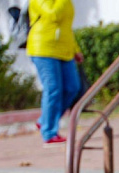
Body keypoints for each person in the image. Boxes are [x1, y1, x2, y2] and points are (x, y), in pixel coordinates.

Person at [26, 0, 83, 146]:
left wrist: (75, 49)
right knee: (53, 89)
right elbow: (53, 15)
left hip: (64, 50)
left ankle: (44, 120)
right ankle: (49, 133)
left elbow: (66, 27)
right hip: (43, 48)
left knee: (72, 88)